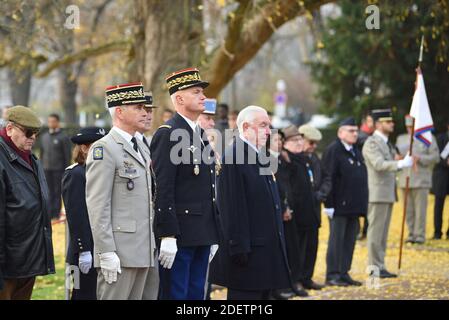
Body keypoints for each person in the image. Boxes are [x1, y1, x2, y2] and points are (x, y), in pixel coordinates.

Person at [150, 68, 219, 300]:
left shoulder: (199, 133)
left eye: (203, 92)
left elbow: (209, 187)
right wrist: (167, 234)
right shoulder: (168, 133)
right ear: (179, 98)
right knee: (176, 295)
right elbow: (163, 187)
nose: (203, 97)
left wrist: (213, 231)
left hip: (202, 231)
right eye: (196, 92)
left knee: (196, 295)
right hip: (180, 234)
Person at [86, 82, 158, 300]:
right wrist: (106, 250)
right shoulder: (104, 148)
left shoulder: (142, 146)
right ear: (119, 111)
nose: (144, 111)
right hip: (120, 251)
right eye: (137, 107)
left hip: (144, 247)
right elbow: (98, 204)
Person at [209, 106, 290, 300]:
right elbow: (231, 208)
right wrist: (238, 248)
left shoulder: (258, 154)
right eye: (263, 126)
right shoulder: (234, 157)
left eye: (269, 126)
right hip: (248, 255)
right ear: (245, 127)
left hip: (264, 251)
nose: (269, 131)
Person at [0, 106, 55, 300]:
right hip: (7, 265)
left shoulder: (31, 158)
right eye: (28, 132)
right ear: (9, 129)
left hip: (28, 260)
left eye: (36, 133)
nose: (32, 137)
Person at [362, 108, 414, 278]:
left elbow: (389, 165)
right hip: (377, 193)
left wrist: (400, 163)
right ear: (378, 124)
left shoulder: (386, 143)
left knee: (382, 233)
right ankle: (374, 267)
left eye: (391, 121)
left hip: (387, 192)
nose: (392, 124)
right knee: (376, 233)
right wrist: (399, 164)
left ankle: (380, 265)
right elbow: (378, 164)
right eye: (388, 122)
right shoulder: (372, 143)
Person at [322, 118, 368, 287]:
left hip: (353, 205)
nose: (355, 133)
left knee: (350, 240)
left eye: (356, 131)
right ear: (340, 132)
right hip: (338, 205)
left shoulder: (355, 150)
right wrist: (329, 204)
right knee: (337, 241)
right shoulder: (334, 150)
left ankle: (343, 272)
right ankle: (332, 274)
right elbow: (328, 178)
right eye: (350, 130)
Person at [63, 127, 106, 300]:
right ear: (84, 148)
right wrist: (84, 250)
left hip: (101, 247)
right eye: (98, 146)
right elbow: (76, 215)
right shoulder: (76, 174)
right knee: (83, 295)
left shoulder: (99, 172)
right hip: (85, 250)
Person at [292, 124, 329, 290]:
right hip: (300, 211)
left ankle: (307, 277)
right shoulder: (294, 158)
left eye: (315, 143)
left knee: (312, 246)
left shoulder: (314, 158)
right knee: (299, 246)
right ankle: (297, 279)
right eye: (311, 142)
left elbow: (327, 178)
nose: (313, 146)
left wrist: (321, 194)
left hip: (314, 209)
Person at [275, 125, 310, 297]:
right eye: (276, 140)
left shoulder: (284, 158)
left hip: (291, 208)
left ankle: (293, 282)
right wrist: (283, 206)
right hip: (280, 209)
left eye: (281, 140)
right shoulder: (268, 159)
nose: (280, 143)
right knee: (285, 250)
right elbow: (277, 187)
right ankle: (282, 286)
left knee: (294, 249)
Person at [396, 115, 439, 244]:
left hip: (421, 179)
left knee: (420, 210)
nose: (410, 129)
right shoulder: (401, 138)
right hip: (405, 179)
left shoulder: (428, 139)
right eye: (408, 126)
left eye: (413, 126)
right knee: (408, 210)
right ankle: (411, 234)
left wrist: (419, 158)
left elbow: (436, 157)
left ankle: (420, 235)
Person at [40, 113, 71, 219]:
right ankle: (49, 212)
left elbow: (67, 155)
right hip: (46, 169)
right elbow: (41, 154)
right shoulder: (44, 137)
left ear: (57, 122)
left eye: (53, 121)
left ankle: (56, 214)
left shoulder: (63, 137)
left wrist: (67, 171)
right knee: (47, 192)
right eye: (49, 121)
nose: (51, 123)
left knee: (57, 192)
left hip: (59, 170)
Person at [357, 111, 374, 240]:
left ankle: (365, 230)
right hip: (360, 175)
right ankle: (360, 230)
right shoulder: (361, 136)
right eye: (369, 121)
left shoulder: (371, 136)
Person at [431, 120, 449, 240]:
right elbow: (435, 156)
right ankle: (437, 232)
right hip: (441, 176)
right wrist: (445, 162)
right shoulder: (439, 138)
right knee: (439, 205)